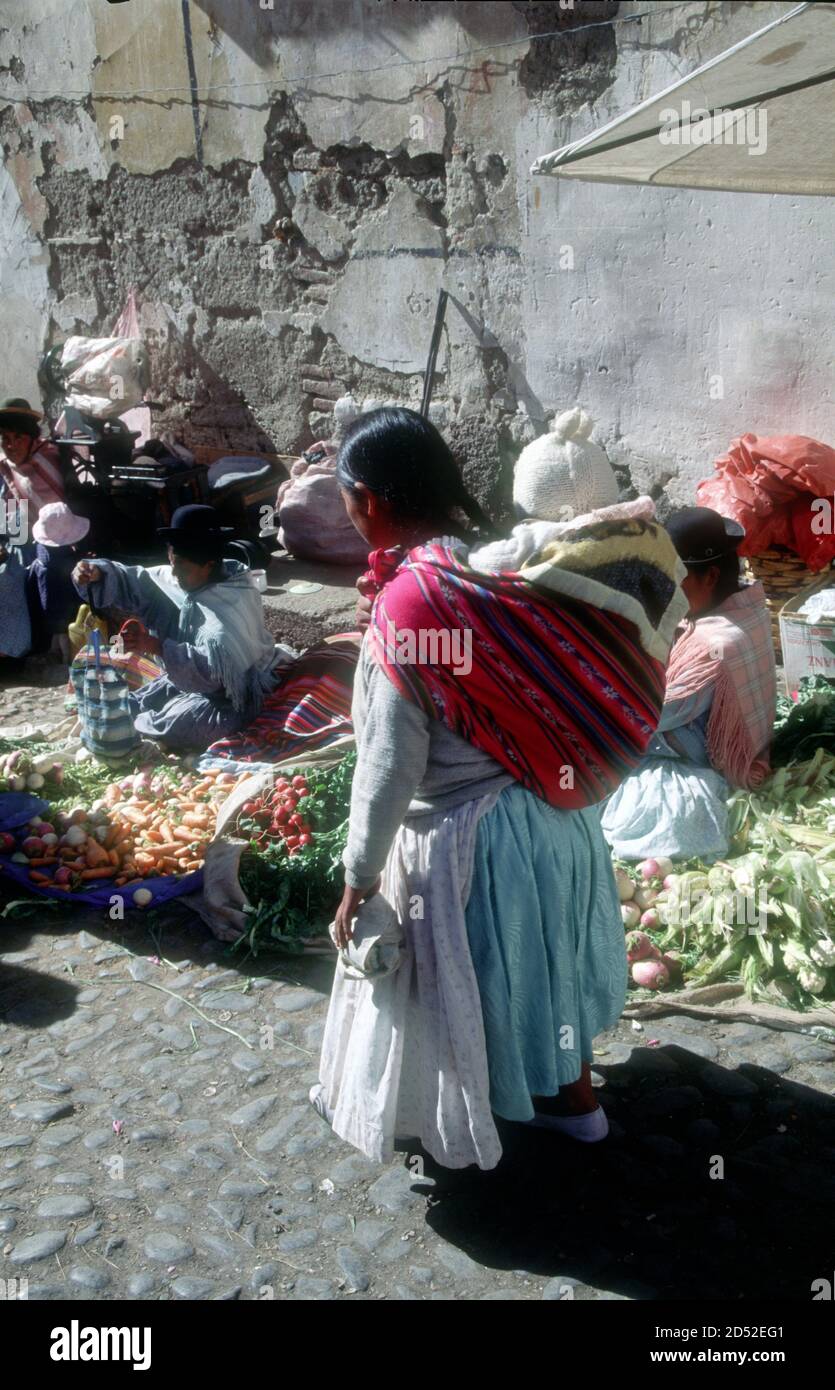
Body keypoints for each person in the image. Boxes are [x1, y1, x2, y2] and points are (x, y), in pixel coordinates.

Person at [310, 407, 686, 1170]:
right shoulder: (497, 569)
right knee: (546, 971)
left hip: (472, 843)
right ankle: (575, 1108)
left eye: (345, 498)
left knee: (483, 987)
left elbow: (387, 768)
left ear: (369, 500)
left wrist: (357, 878)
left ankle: (469, 1118)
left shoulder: (413, 605)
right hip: (556, 822)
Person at [600, 505, 777, 862]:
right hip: (740, 741)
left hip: (706, 764)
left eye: (673, 581)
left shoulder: (712, 647)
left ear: (710, 577)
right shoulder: (748, 607)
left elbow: (653, 715)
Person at [72, 504, 289, 751]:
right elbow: (133, 578)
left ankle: (141, 727)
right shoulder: (178, 578)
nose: (174, 572)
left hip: (233, 695)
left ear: (208, 564)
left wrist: (155, 646)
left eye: (182, 565)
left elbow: (215, 677)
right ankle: (125, 716)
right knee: (138, 701)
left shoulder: (234, 597)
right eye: (171, 560)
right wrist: (96, 572)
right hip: (185, 676)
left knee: (175, 726)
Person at [27, 503, 91, 664]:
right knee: (63, 629)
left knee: (55, 628)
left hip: (47, 598)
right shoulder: (63, 559)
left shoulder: (42, 551)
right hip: (61, 598)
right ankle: (65, 659)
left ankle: (53, 651)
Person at [0, 397, 65, 523]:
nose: (11, 446)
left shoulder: (50, 455)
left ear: (32, 437)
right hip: (27, 529)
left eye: (18, 437)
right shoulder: (5, 468)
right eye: (5, 438)